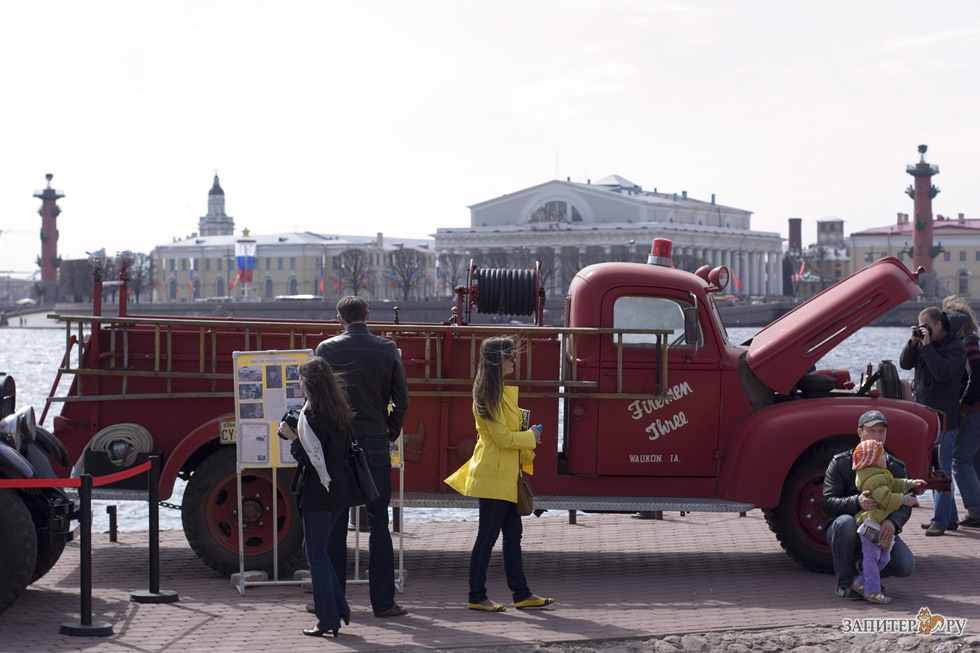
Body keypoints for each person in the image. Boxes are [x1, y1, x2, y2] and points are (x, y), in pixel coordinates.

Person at [316, 296, 410, 618]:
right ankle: (383, 603)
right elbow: (402, 401)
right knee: (379, 522)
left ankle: (333, 601)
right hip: (375, 439)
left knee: (336, 522)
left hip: (339, 441)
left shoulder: (326, 350)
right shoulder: (387, 349)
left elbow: (318, 401)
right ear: (368, 316)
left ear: (338, 318)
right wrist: (390, 430)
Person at [444, 336, 554, 612]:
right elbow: (503, 438)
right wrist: (530, 436)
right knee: (487, 537)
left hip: (503, 475)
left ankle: (521, 593)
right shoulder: (489, 395)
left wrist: (526, 433)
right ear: (498, 361)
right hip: (493, 475)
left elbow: (505, 435)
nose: (514, 361)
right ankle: (477, 595)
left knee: (512, 535)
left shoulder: (496, 392)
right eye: (510, 356)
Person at [279, 357, 356, 638]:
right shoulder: (339, 411)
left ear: (308, 383)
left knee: (316, 555)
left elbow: (312, 459)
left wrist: (293, 437)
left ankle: (327, 620)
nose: (298, 383)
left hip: (318, 493)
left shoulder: (311, 418)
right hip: (340, 491)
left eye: (300, 378)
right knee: (314, 548)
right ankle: (339, 606)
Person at [822, 410, 917, 600]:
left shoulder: (895, 466)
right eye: (872, 430)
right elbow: (827, 503)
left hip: (878, 527)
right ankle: (844, 585)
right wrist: (856, 501)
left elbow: (906, 503)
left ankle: (866, 577)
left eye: (881, 431)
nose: (877, 436)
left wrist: (893, 523)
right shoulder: (841, 462)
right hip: (845, 528)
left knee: (906, 565)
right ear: (859, 432)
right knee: (845, 523)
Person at [899, 306, 966, 536]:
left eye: (927, 325)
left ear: (939, 325)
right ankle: (950, 519)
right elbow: (905, 364)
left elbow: (942, 373)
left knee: (941, 470)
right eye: (921, 326)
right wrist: (913, 343)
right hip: (926, 415)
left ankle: (940, 520)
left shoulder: (956, 347)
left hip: (945, 418)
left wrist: (927, 347)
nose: (924, 330)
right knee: (936, 467)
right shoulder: (925, 345)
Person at [850, 439, 926, 604]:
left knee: (884, 558)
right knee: (871, 557)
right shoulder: (873, 479)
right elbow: (884, 498)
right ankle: (873, 591)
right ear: (873, 459)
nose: (887, 457)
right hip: (872, 524)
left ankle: (860, 583)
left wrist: (909, 483)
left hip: (879, 523)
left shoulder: (881, 474)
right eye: (883, 454)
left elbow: (893, 484)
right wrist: (904, 500)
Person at [942, 296, 980, 530]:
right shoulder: (973, 341)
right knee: (974, 460)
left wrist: (964, 404)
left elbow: (977, 377)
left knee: (959, 460)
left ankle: (976, 510)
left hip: (974, 410)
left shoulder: (969, 343)